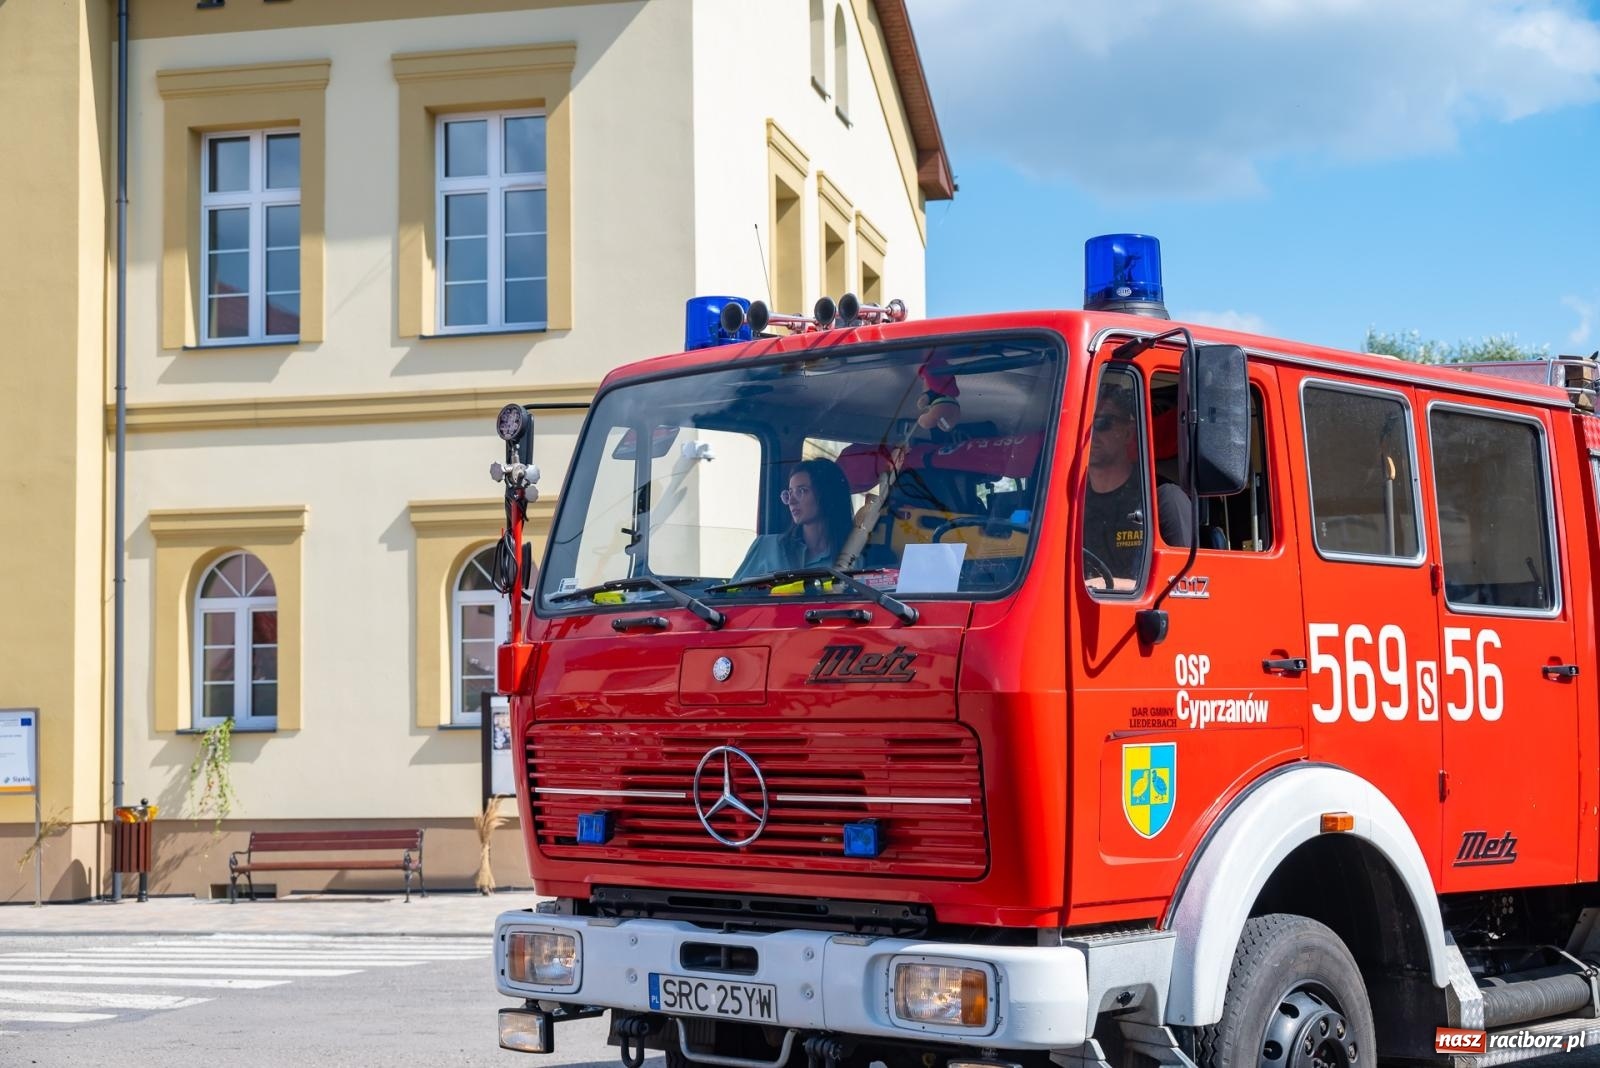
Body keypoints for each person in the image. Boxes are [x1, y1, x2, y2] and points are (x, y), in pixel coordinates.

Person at [1082, 385, 1192, 587]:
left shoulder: (1164, 500)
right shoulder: (1068, 506)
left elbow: (1184, 586)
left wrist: (1107, 586)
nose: (1090, 434)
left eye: (1102, 422)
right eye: (1083, 425)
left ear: (1128, 432)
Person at [732, 458, 856, 581]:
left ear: (827, 495)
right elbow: (729, 596)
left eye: (802, 491)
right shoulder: (765, 546)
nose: (791, 501)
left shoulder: (851, 557)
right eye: (790, 493)